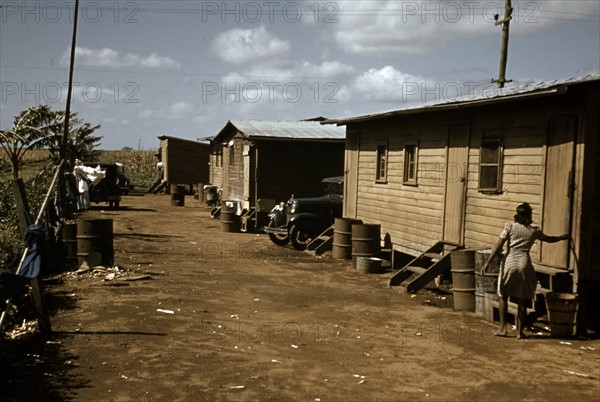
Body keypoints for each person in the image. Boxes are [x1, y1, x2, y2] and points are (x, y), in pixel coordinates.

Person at [481, 203, 568, 339]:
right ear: (529, 216)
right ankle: (520, 332)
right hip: (524, 263)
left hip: (509, 262)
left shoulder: (509, 227)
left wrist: (487, 262)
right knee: (522, 298)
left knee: (503, 295)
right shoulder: (534, 231)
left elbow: (499, 245)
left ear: (517, 214)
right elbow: (549, 239)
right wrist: (562, 237)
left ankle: (502, 329)